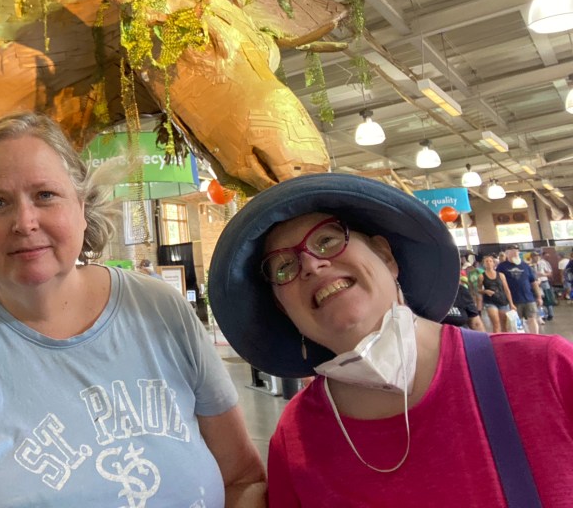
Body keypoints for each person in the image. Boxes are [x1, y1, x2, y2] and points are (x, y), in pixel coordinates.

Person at [0, 112, 267, 507]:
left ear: (82, 207)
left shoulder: (161, 312)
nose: (25, 222)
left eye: (45, 195)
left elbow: (242, 480)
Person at [208, 173, 573, 507]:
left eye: (327, 240)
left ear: (385, 256)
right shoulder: (296, 438)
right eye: (284, 267)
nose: (311, 264)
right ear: (284, 310)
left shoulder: (545, 369)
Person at [497, 245, 543, 334]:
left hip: (529, 298)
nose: (515, 254)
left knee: (532, 319)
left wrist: (539, 297)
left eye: (517, 252)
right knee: (515, 322)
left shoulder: (525, 266)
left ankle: (535, 337)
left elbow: (533, 282)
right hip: (513, 300)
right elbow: (499, 283)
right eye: (513, 252)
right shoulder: (502, 267)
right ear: (507, 254)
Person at [478, 253, 515, 333]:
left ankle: (505, 338)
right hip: (490, 301)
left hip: (502, 300)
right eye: (486, 261)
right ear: (484, 264)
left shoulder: (501, 275)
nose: (488, 263)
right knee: (496, 323)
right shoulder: (481, 276)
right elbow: (478, 290)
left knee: (504, 325)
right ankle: (496, 339)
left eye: (490, 261)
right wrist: (485, 291)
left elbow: (506, 289)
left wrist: (511, 303)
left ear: (493, 263)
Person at [530, 251, 555, 321]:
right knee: (538, 300)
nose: (536, 257)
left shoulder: (543, 263)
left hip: (544, 282)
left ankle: (550, 314)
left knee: (547, 298)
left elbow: (550, 273)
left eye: (537, 256)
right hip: (535, 283)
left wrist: (543, 274)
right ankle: (542, 315)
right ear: (532, 257)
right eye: (534, 256)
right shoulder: (529, 265)